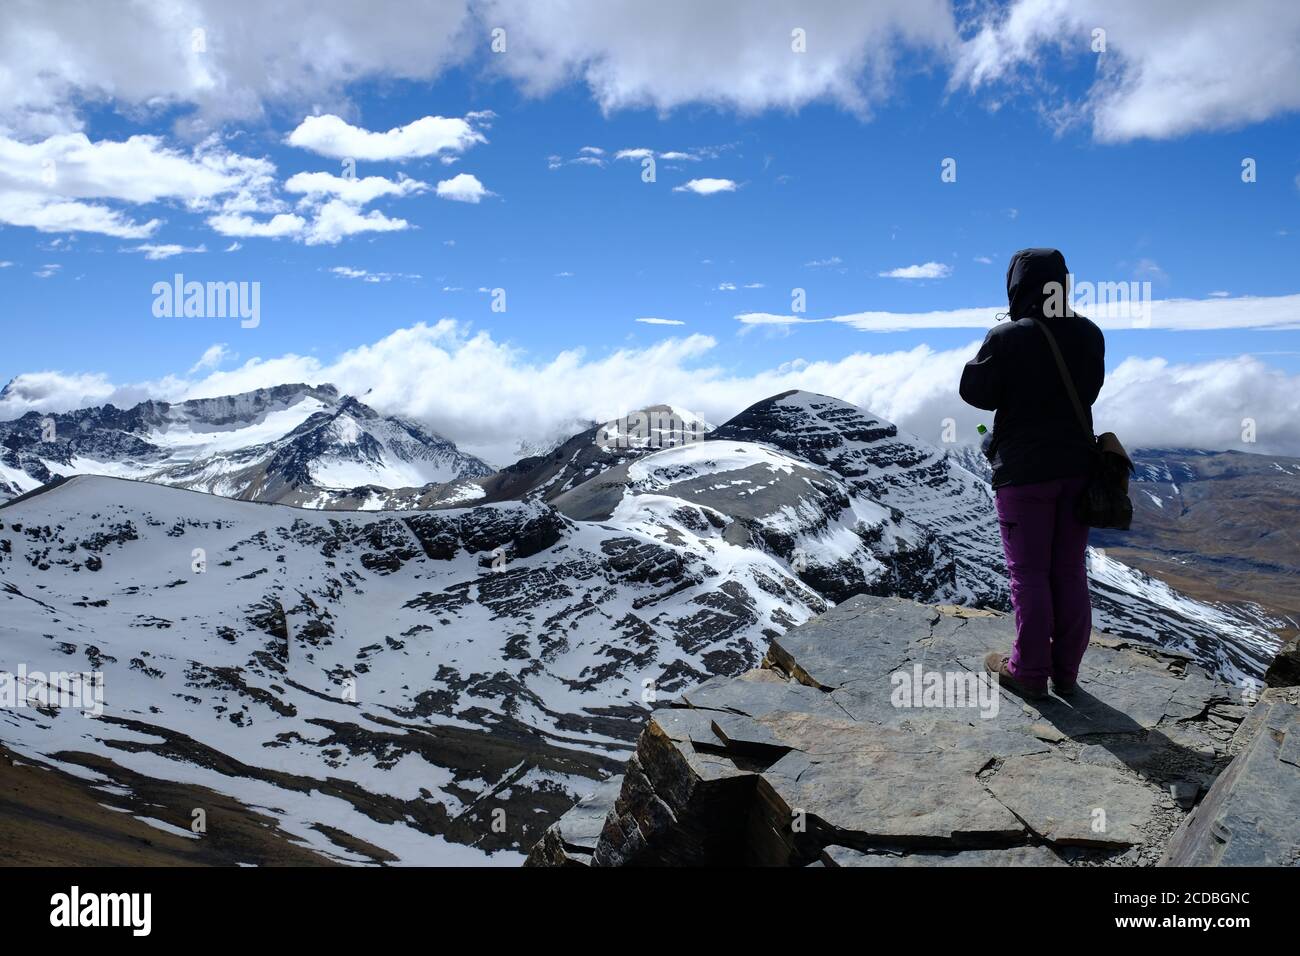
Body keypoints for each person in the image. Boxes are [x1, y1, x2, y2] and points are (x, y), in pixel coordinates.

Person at [960, 248, 1105, 700]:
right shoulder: (1090, 334)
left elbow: (975, 393)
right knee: (1068, 569)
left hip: (1024, 473)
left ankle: (1027, 672)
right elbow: (1092, 391)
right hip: (1079, 469)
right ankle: (1066, 673)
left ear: (1016, 286)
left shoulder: (1007, 337)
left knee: (1028, 574)